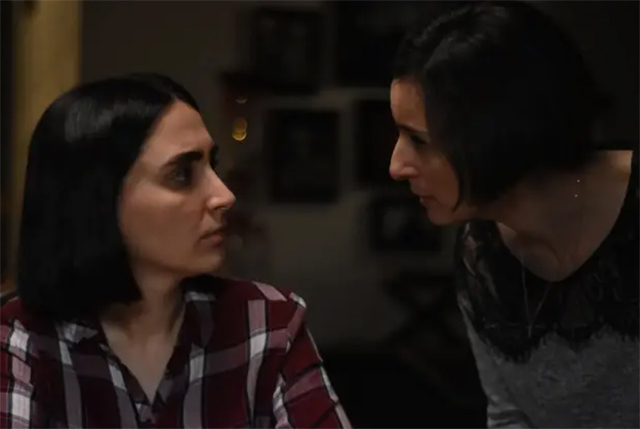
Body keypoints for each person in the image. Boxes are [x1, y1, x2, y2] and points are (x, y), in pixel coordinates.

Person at [0, 73, 351, 429]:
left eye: (212, 165)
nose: (224, 196)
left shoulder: (267, 323)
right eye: (182, 174)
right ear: (97, 199)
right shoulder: (20, 338)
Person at [388, 2, 638, 428]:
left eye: (419, 141)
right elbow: (509, 416)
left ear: (500, 134)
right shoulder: (481, 252)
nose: (396, 166)